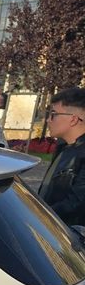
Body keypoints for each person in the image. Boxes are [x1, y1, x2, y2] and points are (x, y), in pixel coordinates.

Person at [39, 87, 85, 229]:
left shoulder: (81, 154)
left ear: (73, 119)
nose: (48, 120)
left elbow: (76, 203)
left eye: (53, 114)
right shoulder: (63, 148)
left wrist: (39, 216)